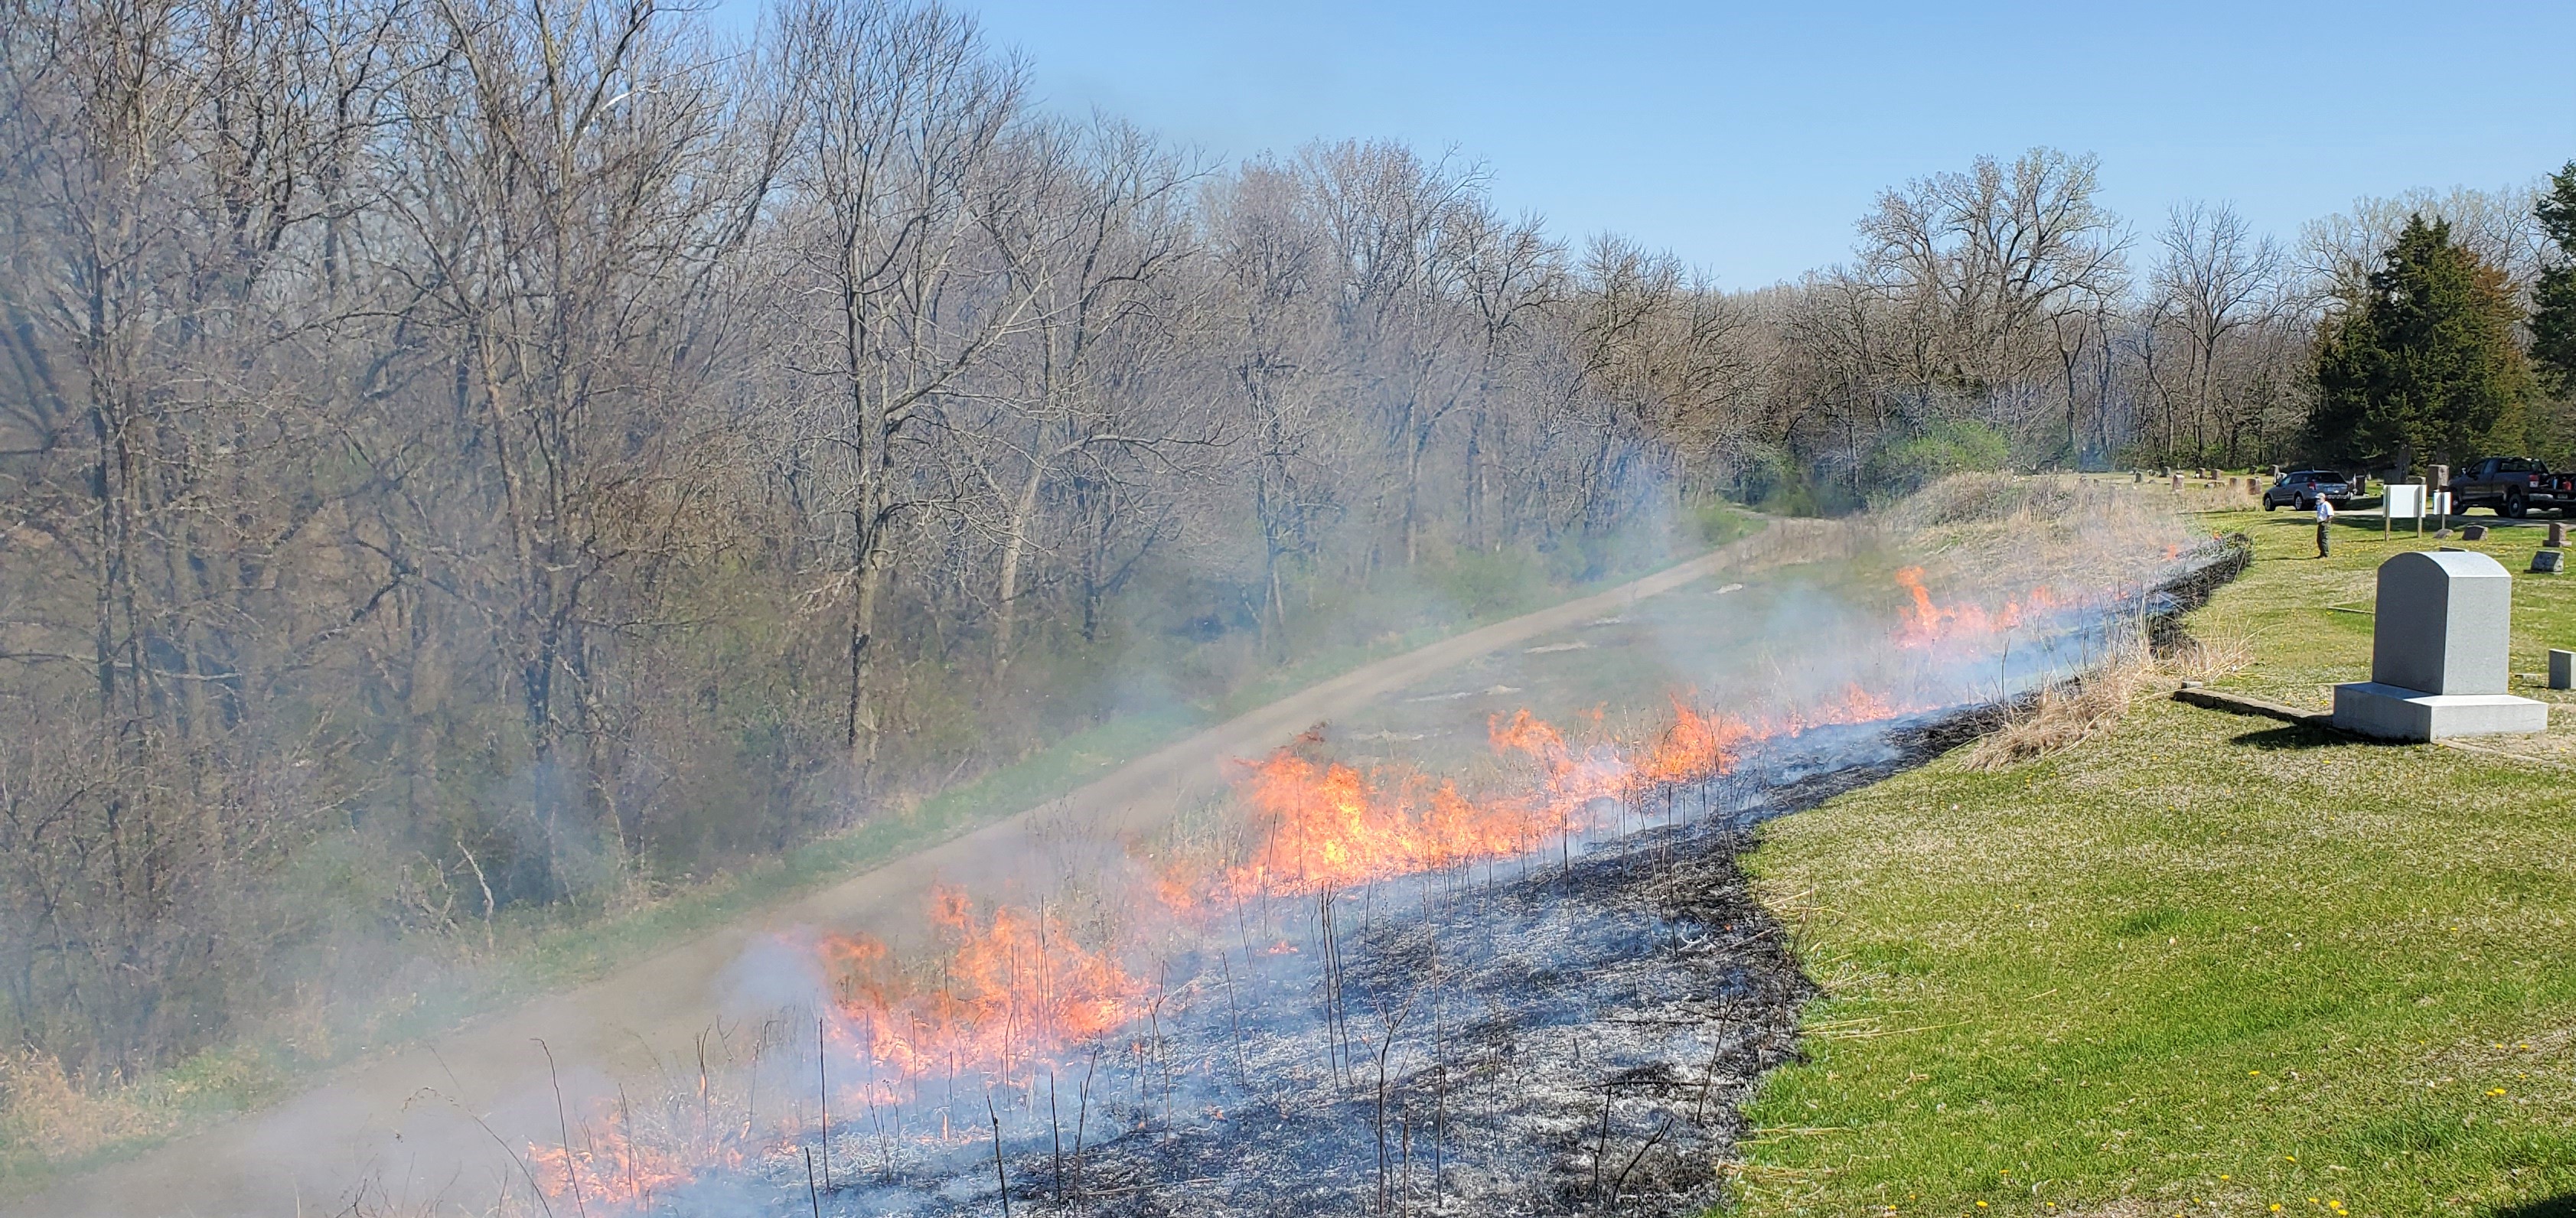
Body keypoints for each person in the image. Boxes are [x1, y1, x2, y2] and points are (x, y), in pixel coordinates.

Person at [2315, 491, 2335, 557]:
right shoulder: (2319, 505)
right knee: (2319, 539)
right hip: (2320, 523)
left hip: (2325, 523)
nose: (2318, 500)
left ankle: (2326, 554)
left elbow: (2331, 515)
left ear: (2323, 498)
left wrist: (2325, 522)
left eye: (2319, 498)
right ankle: (2322, 553)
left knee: (2324, 539)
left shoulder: (2326, 504)